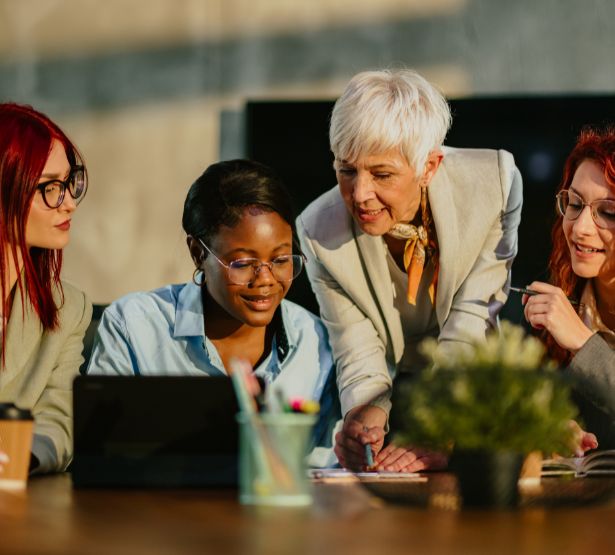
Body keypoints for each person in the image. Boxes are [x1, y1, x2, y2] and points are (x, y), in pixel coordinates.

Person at [297, 69, 523, 472]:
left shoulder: (496, 184)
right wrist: (363, 415)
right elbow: (354, 343)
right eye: (346, 170)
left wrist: (440, 425)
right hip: (393, 391)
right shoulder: (317, 231)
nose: (360, 194)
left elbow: (472, 317)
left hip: (470, 391)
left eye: (382, 174)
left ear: (430, 166)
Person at [87, 159, 340, 466]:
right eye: (243, 263)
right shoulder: (134, 324)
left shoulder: (317, 341)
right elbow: (101, 455)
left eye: (280, 260)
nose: (265, 280)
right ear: (198, 253)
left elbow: (323, 470)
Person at [0, 102, 92, 474]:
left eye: (71, 183)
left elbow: (60, 419)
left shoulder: (68, 307)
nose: (69, 203)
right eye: (51, 187)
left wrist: (15, 459)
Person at [522, 126, 615, 450]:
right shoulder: (555, 302)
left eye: (609, 212)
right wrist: (548, 424)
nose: (580, 227)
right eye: (574, 205)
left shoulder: (570, 324)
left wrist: (583, 343)